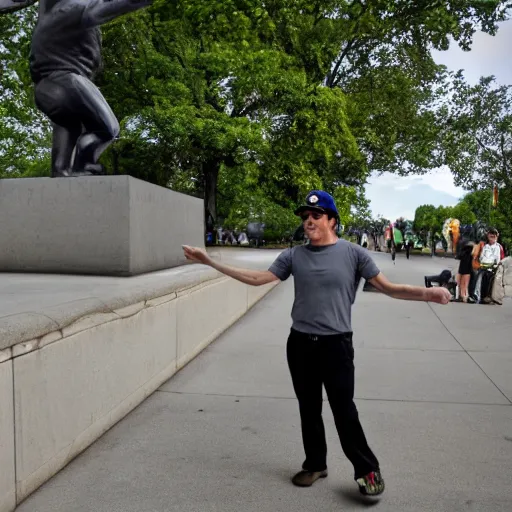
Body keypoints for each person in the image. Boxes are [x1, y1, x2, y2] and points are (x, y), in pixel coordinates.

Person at [182, 190, 451, 498]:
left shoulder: (353, 254)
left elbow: (388, 288)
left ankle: (367, 470)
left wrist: (428, 293)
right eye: (306, 217)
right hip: (300, 344)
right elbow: (258, 278)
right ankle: (315, 464)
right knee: (308, 408)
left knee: (343, 410)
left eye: (316, 216)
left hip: (336, 345)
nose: (308, 221)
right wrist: (210, 262)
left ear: (332, 221)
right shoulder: (294, 255)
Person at [471, 228, 502, 303]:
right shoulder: (486, 246)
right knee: (481, 283)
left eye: (493, 237)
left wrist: (495, 268)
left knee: (489, 284)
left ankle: (487, 297)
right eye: (490, 236)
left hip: (491, 269)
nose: (492, 238)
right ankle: (480, 297)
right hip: (483, 268)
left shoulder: (497, 247)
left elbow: (497, 259)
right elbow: (482, 257)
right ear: (488, 236)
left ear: (496, 237)